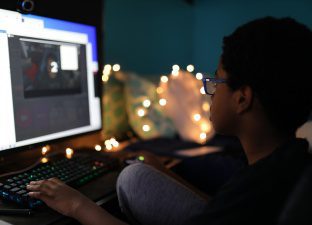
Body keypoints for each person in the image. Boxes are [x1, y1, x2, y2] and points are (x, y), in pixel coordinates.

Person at [27, 16, 312, 225]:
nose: (208, 91)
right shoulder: (287, 161)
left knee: (132, 178)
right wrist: (165, 173)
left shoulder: (259, 189)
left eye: (216, 80)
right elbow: (217, 210)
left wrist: (76, 204)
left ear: (242, 98)